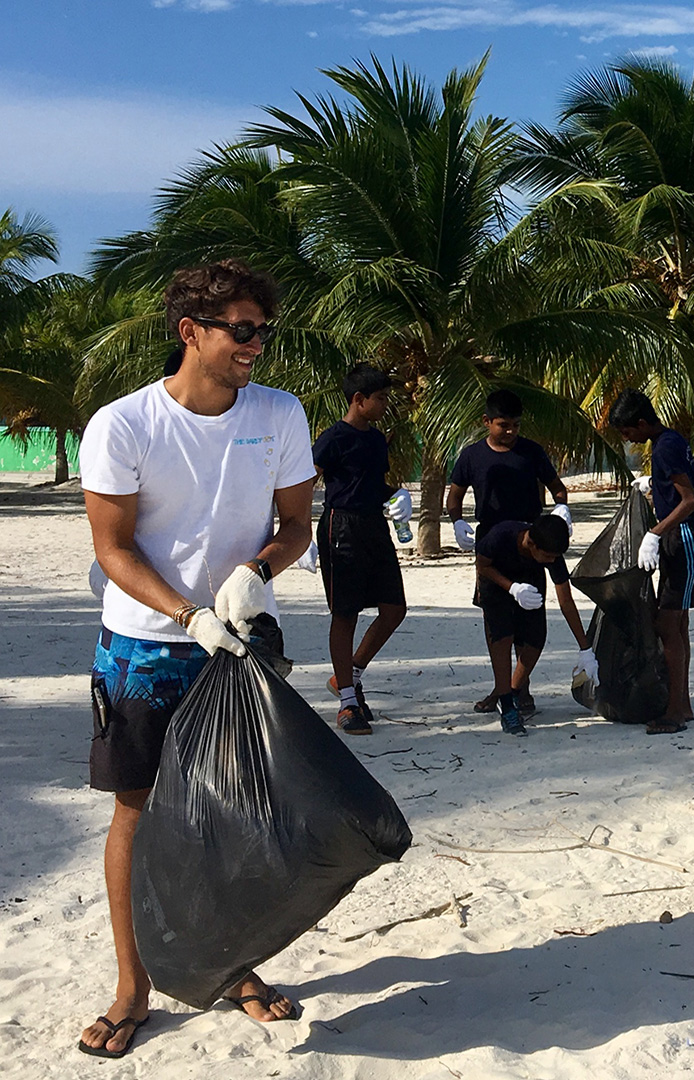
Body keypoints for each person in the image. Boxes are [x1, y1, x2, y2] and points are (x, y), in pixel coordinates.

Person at [77, 261, 312, 1057]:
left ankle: (234, 967)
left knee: (238, 811)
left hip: (242, 642)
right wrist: (186, 614)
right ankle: (132, 985)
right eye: (240, 332)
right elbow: (111, 547)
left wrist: (257, 573)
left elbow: (296, 525)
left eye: (262, 332)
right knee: (138, 814)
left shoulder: (279, 415)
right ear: (192, 333)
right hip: (146, 647)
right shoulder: (124, 424)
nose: (255, 347)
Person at [446, 388, 572, 714]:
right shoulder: (472, 456)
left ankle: (519, 688)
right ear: (487, 422)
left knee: (531, 622)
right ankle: (503, 690)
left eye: (516, 425)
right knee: (498, 623)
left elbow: (558, 488)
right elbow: (455, 494)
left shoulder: (532, 452)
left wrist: (561, 510)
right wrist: (457, 521)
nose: (511, 431)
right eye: (503, 425)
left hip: (531, 541)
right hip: (491, 541)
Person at [311, 363, 410, 735]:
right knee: (346, 613)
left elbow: (373, 483)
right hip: (341, 527)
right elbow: (307, 480)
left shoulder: (375, 438)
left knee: (394, 609)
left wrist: (398, 496)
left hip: (374, 526)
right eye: (381, 398)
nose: (385, 404)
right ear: (359, 399)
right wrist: (300, 530)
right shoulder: (334, 437)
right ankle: (348, 703)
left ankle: (348, 674)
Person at [609, 389, 694, 734]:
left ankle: (676, 709)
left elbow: (690, 500)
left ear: (640, 423)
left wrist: (655, 533)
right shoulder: (668, 440)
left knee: (669, 626)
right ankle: (684, 702)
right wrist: (655, 486)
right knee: (676, 625)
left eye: (627, 433)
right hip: (676, 540)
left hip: (684, 541)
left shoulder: (665, 446)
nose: (627, 439)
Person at [472, 515, 593, 735]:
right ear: (531, 544)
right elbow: (482, 565)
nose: (551, 560)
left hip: (530, 579)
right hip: (496, 583)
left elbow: (566, 600)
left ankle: (512, 693)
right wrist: (511, 588)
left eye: (554, 557)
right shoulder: (501, 535)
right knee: (502, 638)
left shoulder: (551, 553)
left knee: (535, 641)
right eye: (546, 556)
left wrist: (585, 649)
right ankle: (507, 707)